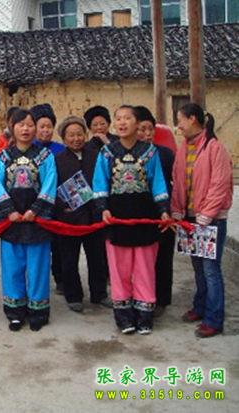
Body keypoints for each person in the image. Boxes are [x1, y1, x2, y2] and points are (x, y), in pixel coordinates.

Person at [92, 105, 170, 335]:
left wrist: (163, 210)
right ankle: (124, 316)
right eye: (118, 118)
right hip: (117, 219)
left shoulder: (150, 152)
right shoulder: (107, 153)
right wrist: (103, 209)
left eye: (127, 118)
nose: (122, 122)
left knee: (145, 268)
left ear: (137, 124)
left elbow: (158, 183)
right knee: (120, 270)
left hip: (145, 217)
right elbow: (100, 183)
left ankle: (145, 315)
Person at [171, 103, 233, 338]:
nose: (178, 126)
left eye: (180, 120)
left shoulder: (215, 148)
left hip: (211, 219)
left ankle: (214, 319)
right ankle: (200, 307)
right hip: (190, 218)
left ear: (193, 119)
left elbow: (219, 184)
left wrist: (206, 215)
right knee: (197, 266)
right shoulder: (184, 148)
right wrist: (177, 210)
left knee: (210, 269)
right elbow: (178, 181)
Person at [0, 109, 57, 332]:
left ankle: (38, 311)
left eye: (30, 124)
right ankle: (15, 312)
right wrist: (9, 211)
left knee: (38, 267)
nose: (26, 129)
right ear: (12, 128)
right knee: (12, 267)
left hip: (37, 220)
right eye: (21, 124)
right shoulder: (3, 157)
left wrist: (36, 210)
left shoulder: (45, 156)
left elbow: (50, 183)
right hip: (11, 221)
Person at [54, 116, 111, 313]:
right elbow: (51, 187)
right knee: (69, 259)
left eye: (79, 134)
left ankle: (99, 293)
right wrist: (62, 206)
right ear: (64, 138)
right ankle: (73, 296)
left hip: (94, 217)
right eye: (71, 135)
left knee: (97, 258)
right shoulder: (57, 160)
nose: (76, 139)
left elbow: (104, 181)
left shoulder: (96, 156)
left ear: (85, 135)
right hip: (68, 218)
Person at [135, 106, 176, 318]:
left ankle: (161, 299)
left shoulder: (166, 154)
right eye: (142, 129)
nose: (147, 134)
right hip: (138, 215)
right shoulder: (125, 155)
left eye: (150, 129)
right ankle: (139, 297)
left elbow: (175, 184)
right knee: (140, 261)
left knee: (163, 258)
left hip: (163, 214)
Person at [31, 103, 65, 293]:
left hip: (57, 205)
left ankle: (60, 278)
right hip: (34, 206)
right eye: (41, 126)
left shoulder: (60, 150)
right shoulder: (28, 149)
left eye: (49, 126)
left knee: (59, 245)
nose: (46, 130)